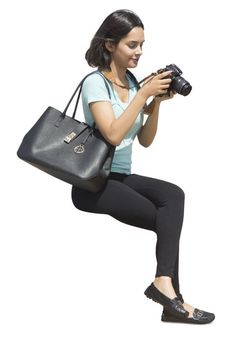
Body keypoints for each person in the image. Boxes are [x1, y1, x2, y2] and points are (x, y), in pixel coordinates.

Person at [71, 9, 215, 324]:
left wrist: (156, 104)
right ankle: (172, 298)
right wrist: (143, 95)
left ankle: (168, 295)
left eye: (142, 45)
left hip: (121, 177)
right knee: (168, 223)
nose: (139, 53)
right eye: (132, 45)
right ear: (110, 45)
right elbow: (111, 133)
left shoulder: (135, 84)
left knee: (173, 196)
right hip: (92, 183)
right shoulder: (96, 82)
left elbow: (145, 140)